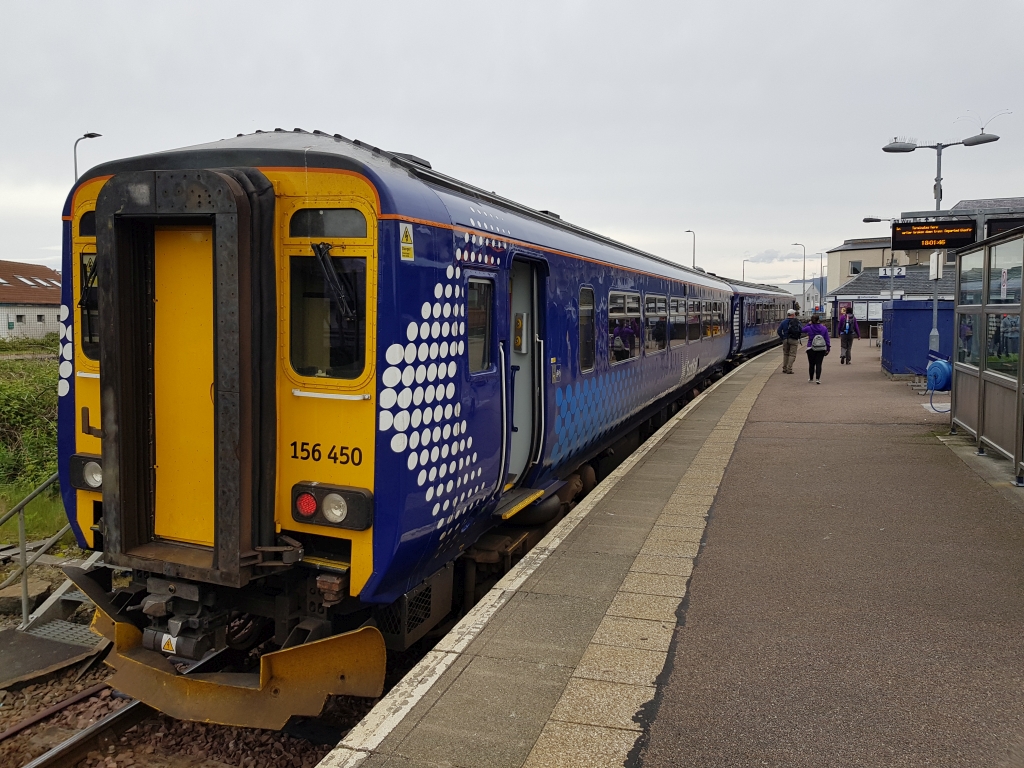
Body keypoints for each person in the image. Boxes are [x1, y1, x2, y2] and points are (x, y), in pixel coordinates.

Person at [802, 313, 830, 384]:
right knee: (819, 363)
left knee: (811, 364)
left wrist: (808, 324)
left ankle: (811, 378)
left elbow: (802, 330)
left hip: (810, 348)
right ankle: (818, 379)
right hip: (821, 348)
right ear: (818, 320)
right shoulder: (824, 328)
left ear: (811, 320)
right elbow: (827, 339)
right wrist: (828, 348)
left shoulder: (809, 327)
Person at [776, 309, 802, 374]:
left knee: (786, 354)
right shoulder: (797, 322)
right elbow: (801, 330)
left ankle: (784, 368)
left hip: (785, 339)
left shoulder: (783, 322)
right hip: (794, 340)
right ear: (793, 314)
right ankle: (789, 369)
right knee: (792, 355)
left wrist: (783, 337)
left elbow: (779, 331)